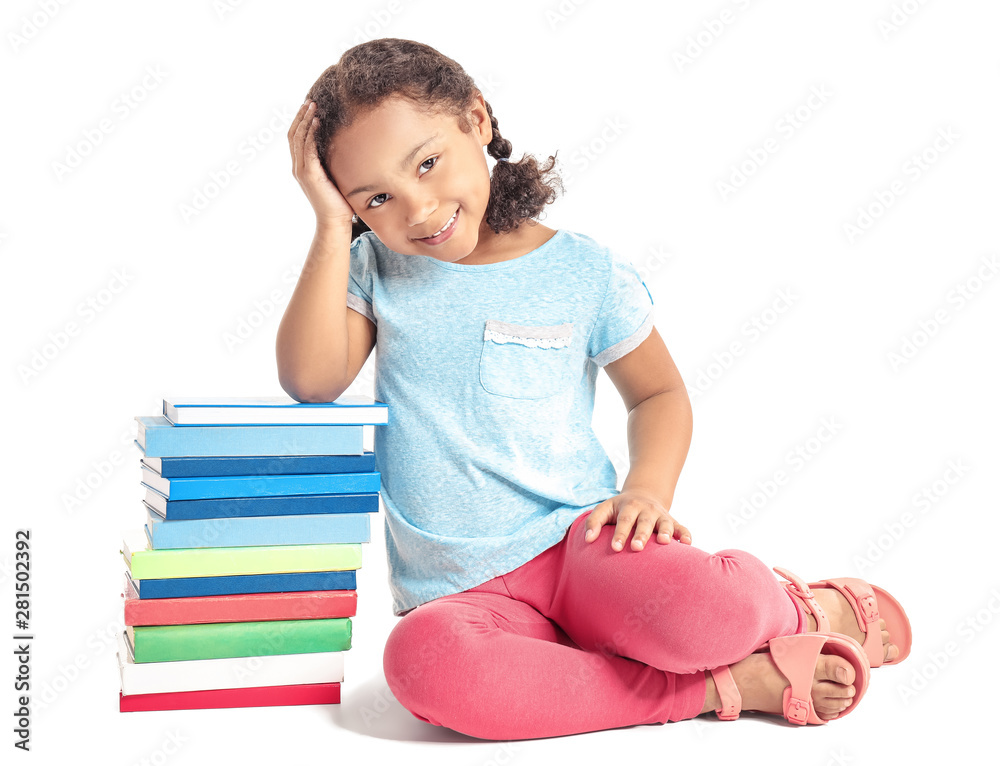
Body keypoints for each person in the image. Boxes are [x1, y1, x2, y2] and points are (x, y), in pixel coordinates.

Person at [276, 38, 912, 740]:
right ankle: (720, 687)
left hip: (584, 549)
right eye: (377, 197)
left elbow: (659, 396)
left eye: (428, 163)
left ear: (477, 120)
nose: (419, 209)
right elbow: (312, 380)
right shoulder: (373, 266)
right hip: (460, 594)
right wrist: (333, 223)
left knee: (708, 613)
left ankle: (800, 608)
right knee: (424, 668)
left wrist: (648, 492)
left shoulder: (582, 271)